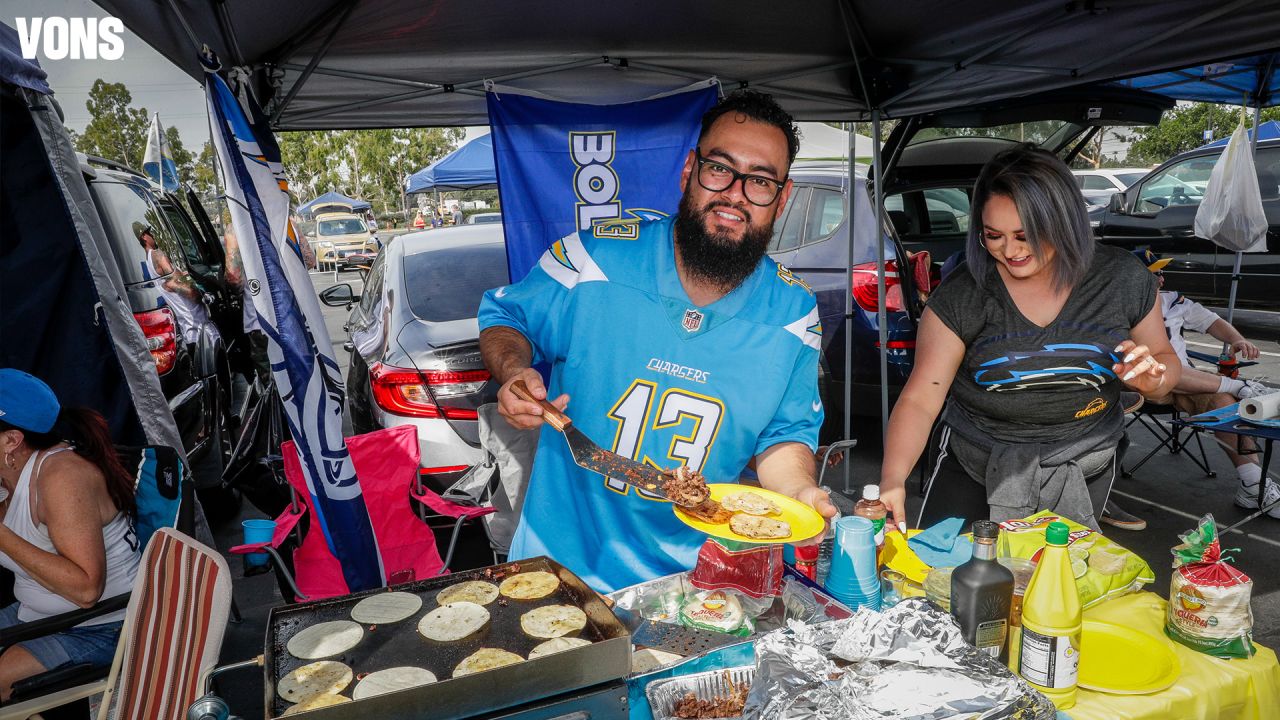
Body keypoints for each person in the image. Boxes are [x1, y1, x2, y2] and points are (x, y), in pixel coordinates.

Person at [478, 90, 836, 592]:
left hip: (697, 586)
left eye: (759, 180)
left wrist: (800, 493)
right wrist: (515, 369)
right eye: (720, 168)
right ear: (690, 169)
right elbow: (505, 316)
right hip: (557, 569)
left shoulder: (794, 313)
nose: (734, 194)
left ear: (783, 197)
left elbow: (783, 435)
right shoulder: (595, 256)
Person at [879, 145, 1179, 533]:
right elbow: (921, 398)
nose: (1011, 250)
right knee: (949, 579)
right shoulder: (963, 294)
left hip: (1084, 459)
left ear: (1064, 221)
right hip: (975, 460)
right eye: (993, 235)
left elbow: (1164, 359)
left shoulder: (1122, 279)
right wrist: (892, 479)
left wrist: (1155, 381)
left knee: (1058, 585)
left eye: (1025, 234)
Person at [1103, 250, 1272, 526]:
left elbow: (1213, 322)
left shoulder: (1174, 301)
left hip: (1185, 383)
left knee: (1222, 400)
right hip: (1141, 385)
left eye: (1161, 273)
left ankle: (1253, 485)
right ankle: (1243, 386)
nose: (1161, 278)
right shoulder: (1119, 307)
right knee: (1167, 371)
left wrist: (1237, 339)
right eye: (1154, 273)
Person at [0, 370, 140, 699]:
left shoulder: (62, 478)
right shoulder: (9, 474)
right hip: (38, 613)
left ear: (11, 440)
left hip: (103, 625)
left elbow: (87, 589)